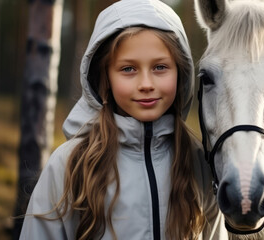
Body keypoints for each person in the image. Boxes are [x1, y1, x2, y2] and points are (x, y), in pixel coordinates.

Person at [19, 0, 224, 239]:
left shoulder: (198, 162)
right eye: (128, 69)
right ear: (105, 77)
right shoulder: (69, 165)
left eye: (160, 67)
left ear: (181, 72)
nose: (146, 84)